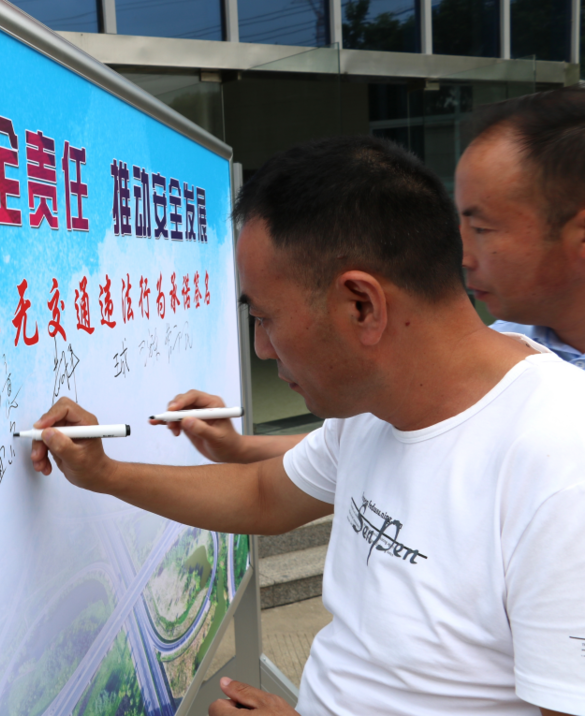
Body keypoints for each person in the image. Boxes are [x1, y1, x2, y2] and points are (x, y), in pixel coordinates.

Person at [30, 136, 585, 715]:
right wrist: (106, 474)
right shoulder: (371, 410)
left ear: (361, 305)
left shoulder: (561, 462)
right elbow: (264, 494)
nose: (261, 348)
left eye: (265, 317)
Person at [165, 85, 585, 467]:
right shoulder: (505, 343)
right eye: (460, 223)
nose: (463, 254)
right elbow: (342, 454)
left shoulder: (555, 427)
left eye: (483, 227)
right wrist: (240, 449)